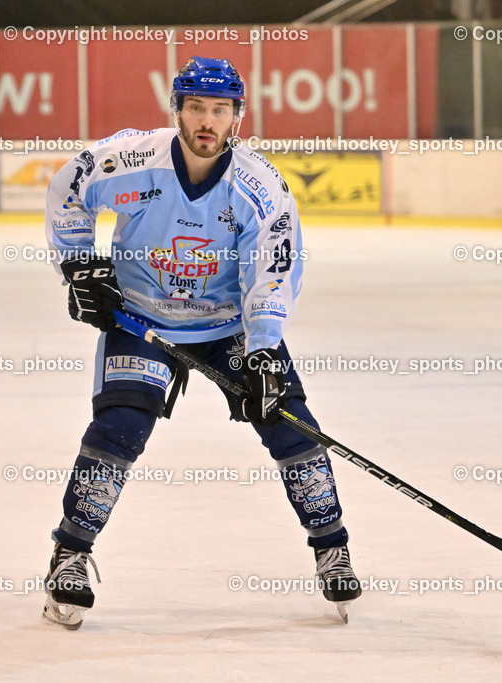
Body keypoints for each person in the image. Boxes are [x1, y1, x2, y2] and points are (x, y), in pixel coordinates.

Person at [41, 56, 360, 629]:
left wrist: (263, 349)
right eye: (196, 108)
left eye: (219, 110)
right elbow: (68, 188)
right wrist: (81, 267)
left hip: (228, 326)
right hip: (144, 322)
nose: (207, 121)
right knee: (120, 428)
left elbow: (273, 268)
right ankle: (70, 555)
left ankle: (330, 545)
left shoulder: (258, 185)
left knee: (289, 421)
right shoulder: (132, 158)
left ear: (238, 115)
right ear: (178, 110)